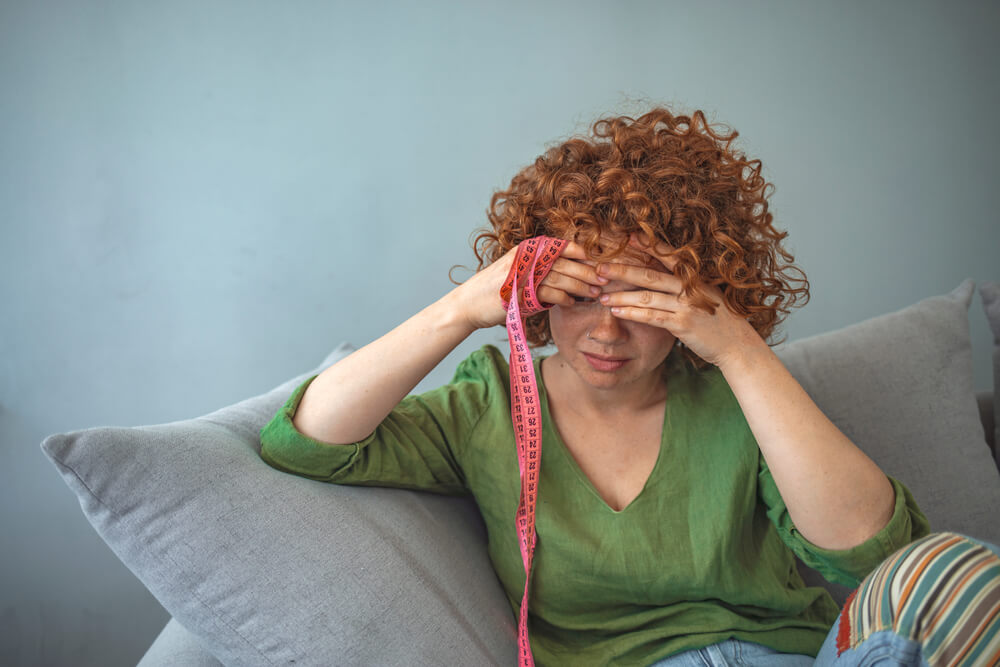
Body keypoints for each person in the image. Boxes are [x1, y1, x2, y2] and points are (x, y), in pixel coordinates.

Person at [259, 108, 1000, 666]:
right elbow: (305, 441)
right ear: (540, 294)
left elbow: (881, 552)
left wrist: (739, 350)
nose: (607, 334)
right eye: (582, 294)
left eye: (643, 303)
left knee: (964, 569)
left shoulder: (736, 397)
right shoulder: (486, 404)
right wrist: (467, 306)